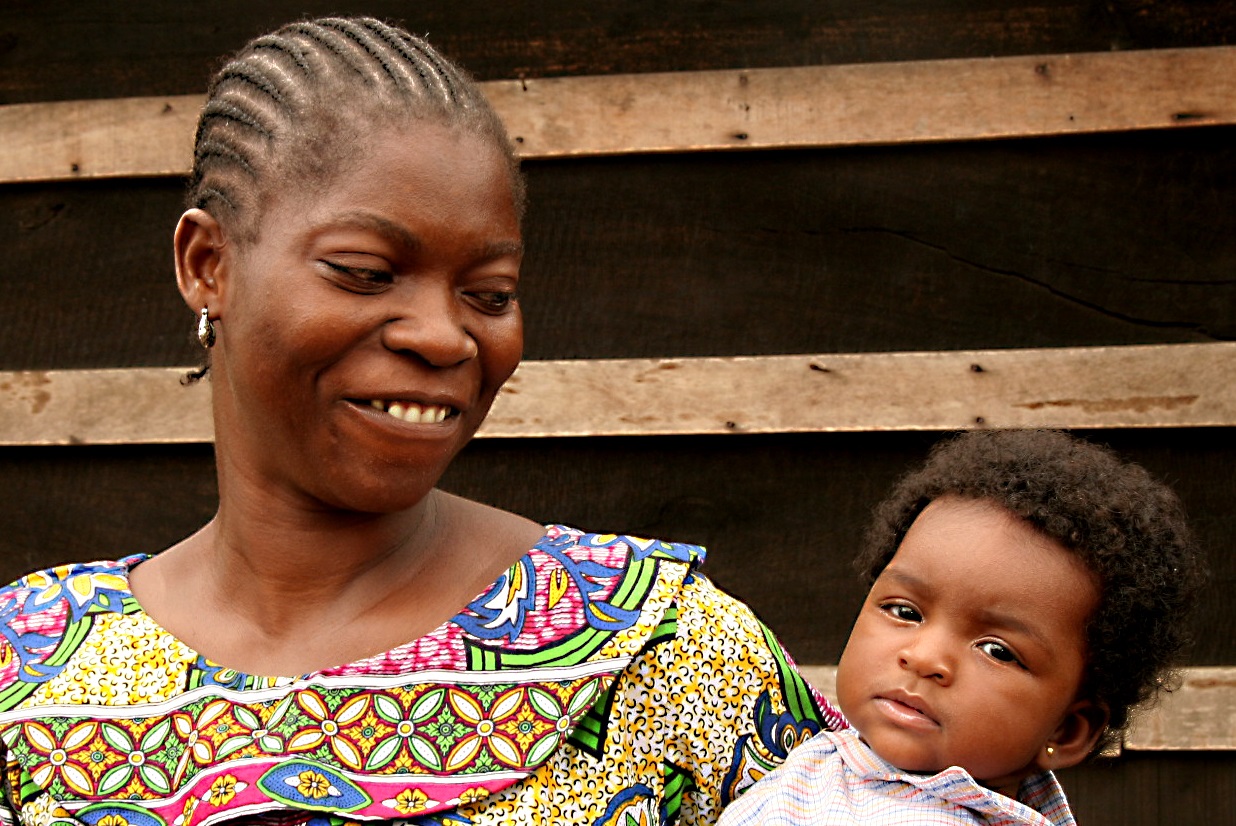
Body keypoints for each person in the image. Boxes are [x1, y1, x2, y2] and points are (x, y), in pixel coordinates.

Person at [0, 17, 843, 826]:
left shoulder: (667, 653)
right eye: (365, 272)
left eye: (490, 295)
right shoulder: (29, 667)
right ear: (207, 265)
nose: (444, 336)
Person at [719, 429, 1205, 826]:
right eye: (905, 612)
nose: (925, 657)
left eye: (996, 650)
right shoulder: (827, 760)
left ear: (1068, 728)